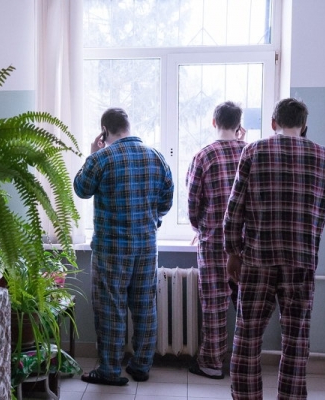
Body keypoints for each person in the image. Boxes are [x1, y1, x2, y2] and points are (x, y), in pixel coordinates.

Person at [224, 98, 325, 399]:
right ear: (304, 126)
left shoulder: (254, 151)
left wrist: (233, 251)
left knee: (248, 337)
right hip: (301, 260)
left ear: (273, 123)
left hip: (257, 259)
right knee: (296, 341)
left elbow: (234, 208)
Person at [73, 107, 174, 386]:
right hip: (146, 247)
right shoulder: (156, 157)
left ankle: (109, 370)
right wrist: (152, 220)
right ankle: (141, 366)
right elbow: (166, 201)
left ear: (104, 131)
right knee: (144, 307)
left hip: (111, 249)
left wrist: (92, 154)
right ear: (128, 127)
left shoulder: (102, 158)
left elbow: (81, 189)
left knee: (110, 308)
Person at [185, 101, 246, 380]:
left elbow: (192, 202)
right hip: (246, 243)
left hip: (213, 241)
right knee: (248, 306)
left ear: (213, 122)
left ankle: (212, 363)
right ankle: (245, 363)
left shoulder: (203, 156)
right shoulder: (251, 151)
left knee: (214, 305)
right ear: (239, 124)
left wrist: (200, 227)